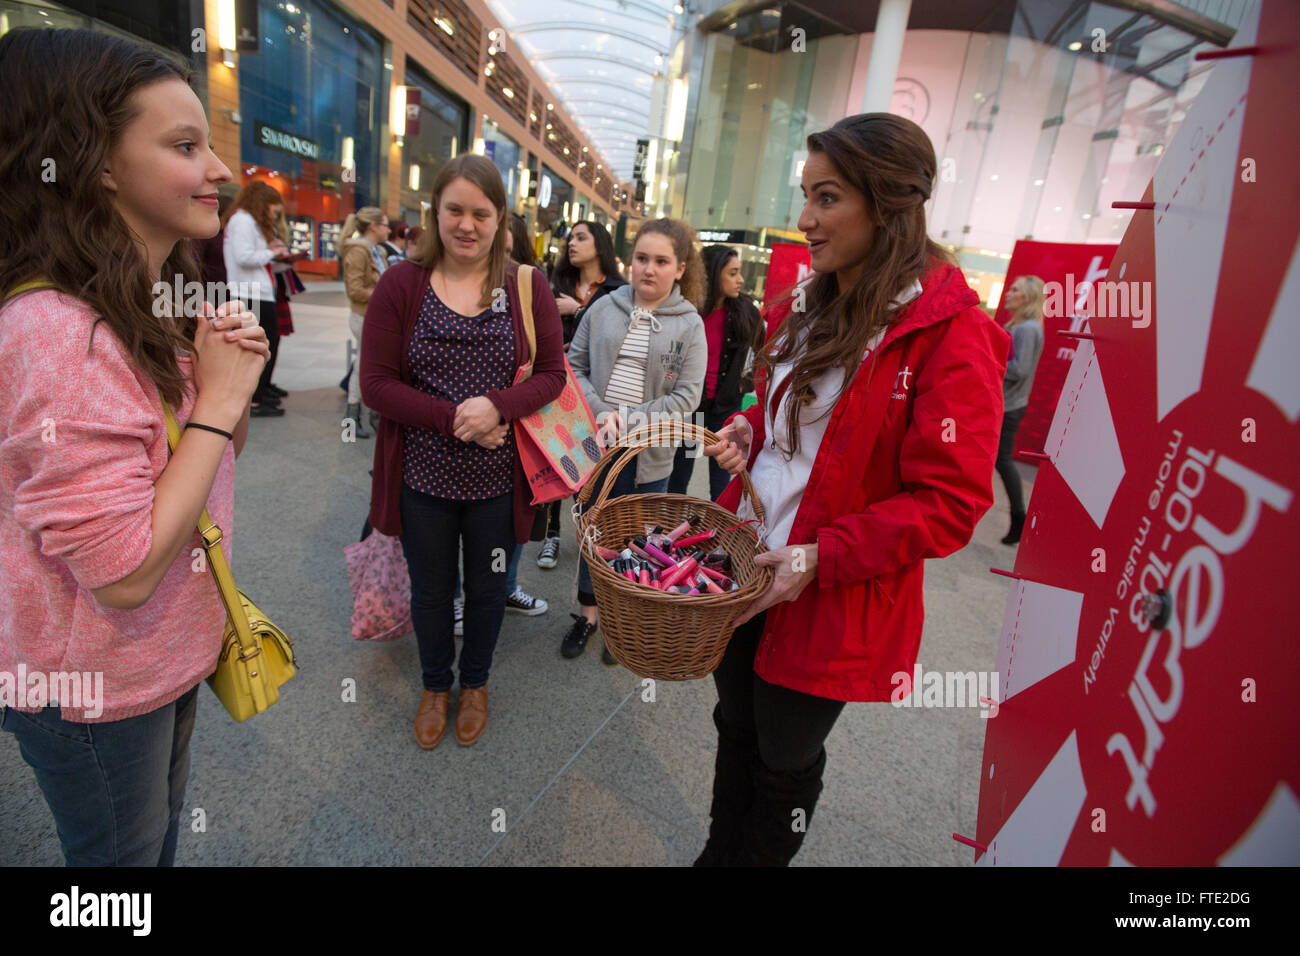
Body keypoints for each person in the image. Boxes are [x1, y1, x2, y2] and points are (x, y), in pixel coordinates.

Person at [699, 113, 1009, 866]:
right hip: (745, 564)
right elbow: (782, 415)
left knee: (784, 759)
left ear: (889, 202)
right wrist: (750, 426)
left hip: (831, 595)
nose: (804, 219)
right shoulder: (811, 303)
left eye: (827, 198)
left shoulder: (952, 334)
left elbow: (952, 503)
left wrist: (818, 557)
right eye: (806, 195)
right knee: (733, 720)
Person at [0, 28, 270, 865]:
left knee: (146, 847)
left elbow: (185, 471)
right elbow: (121, 572)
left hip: (149, 664)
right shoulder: (57, 329)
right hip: (91, 686)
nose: (219, 171)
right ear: (97, 162)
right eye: (185, 145)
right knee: (120, 867)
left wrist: (221, 391)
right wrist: (220, 404)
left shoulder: (135, 302)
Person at [361, 154, 565, 749]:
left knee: (488, 588)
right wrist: (459, 419)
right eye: (455, 210)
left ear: (501, 219)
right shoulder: (403, 283)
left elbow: (552, 374)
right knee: (429, 590)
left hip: (499, 486)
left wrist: (497, 405)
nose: (467, 225)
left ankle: (474, 684)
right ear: (435, 213)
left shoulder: (526, 285)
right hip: (423, 480)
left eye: (481, 213)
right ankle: (433, 686)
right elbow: (376, 385)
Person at [562, 218, 707, 664]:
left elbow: (686, 398)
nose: (649, 269)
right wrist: (602, 414)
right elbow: (574, 365)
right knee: (594, 534)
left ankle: (621, 623)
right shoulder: (604, 307)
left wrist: (627, 419)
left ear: (680, 268)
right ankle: (588, 614)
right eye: (642, 258)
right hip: (597, 451)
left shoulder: (689, 325)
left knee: (638, 544)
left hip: (651, 459)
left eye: (661, 261)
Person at [538, 220, 627, 571]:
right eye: (569, 238)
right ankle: (551, 536)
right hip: (554, 388)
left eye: (581, 237)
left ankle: (587, 533)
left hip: (593, 393)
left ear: (599, 244)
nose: (571, 243)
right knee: (554, 460)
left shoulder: (618, 290)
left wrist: (576, 311)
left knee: (588, 466)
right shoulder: (557, 284)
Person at [668, 244, 762, 501]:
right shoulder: (690, 310)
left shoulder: (747, 313)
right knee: (680, 474)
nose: (740, 279)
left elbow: (765, 353)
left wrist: (745, 383)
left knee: (720, 477)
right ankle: (670, 531)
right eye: (732, 273)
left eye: (739, 272)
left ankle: (718, 535)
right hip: (692, 408)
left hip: (726, 410)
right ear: (712, 273)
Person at [223, 180, 290, 417]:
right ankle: (254, 400)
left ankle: (258, 395)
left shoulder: (244, 220)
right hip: (250, 294)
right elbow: (244, 257)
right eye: (273, 210)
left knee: (263, 346)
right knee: (259, 348)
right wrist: (272, 252)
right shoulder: (243, 220)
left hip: (255, 292)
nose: (274, 216)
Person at [995, 275, 1044, 544]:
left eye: (1015, 290)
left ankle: (1019, 519)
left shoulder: (1027, 329)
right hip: (1005, 403)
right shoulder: (1018, 325)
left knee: (1002, 460)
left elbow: (1020, 369)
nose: (1008, 293)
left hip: (1009, 406)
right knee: (998, 460)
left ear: (1027, 297)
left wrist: (990, 360)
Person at [341, 206, 391, 440]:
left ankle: (369, 415)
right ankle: (352, 418)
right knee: (363, 364)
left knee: (368, 364)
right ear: (373, 226)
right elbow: (355, 289)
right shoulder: (359, 250)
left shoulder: (377, 251)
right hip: (363, 316)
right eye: (385, 224)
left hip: (376, 316)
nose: (388, 229)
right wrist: (384, 293)